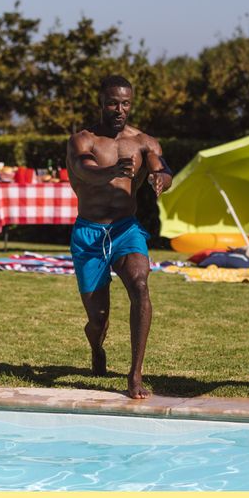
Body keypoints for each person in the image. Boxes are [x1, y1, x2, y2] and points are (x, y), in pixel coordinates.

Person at [65, 75, 173, 399]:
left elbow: (161, 167)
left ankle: (135, 374)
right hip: (89, 233)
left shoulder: (143, 141)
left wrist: (159, 179)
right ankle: (97, 347)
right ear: (101, 102)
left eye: (125, 103)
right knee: (98, 319)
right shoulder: (82, 140)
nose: (119, 109)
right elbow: (84, 169)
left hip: (126, 229)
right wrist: (109, 172)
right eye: (113, 103)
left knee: (140, 285)